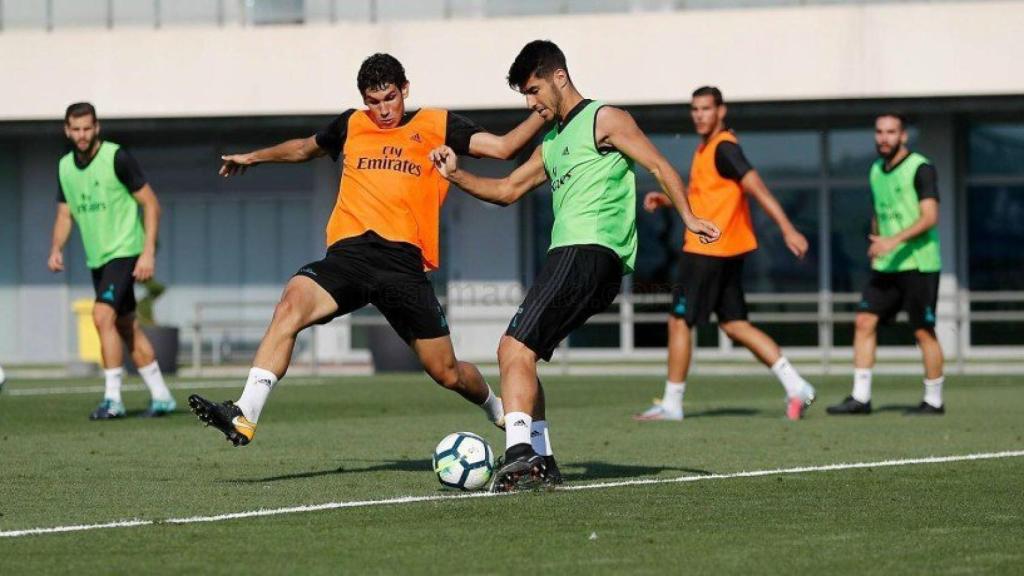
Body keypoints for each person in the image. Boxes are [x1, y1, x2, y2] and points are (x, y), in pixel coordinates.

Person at [187, 53, 545, 446]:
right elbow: (305, 148)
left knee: (447, 372)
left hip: (401, 265)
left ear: (404, 89)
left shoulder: (437, 124)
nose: (383, 110)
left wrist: (544, 111)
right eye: (373, 102)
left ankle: (495, 407)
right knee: (290, 305)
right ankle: (245, 413)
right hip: (348, 258)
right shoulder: (351, 124)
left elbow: (502, 147)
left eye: (389, 98)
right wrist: (253, 157)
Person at [429, 40, 719, 491]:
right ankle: (541, 460)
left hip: (589, 250)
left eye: (533, 90)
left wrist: (689, 216)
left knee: (511, 349)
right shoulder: (551, 142)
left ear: (558, 77)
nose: (531, 103)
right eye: (525, 95)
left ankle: (520, 454)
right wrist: (455, 175)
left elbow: (659, 165)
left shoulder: (605, 118)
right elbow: (507, 191)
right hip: (576, 258)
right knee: (525, 355)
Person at [634, 87, 817, 422]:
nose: (699, 115)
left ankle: (672, 403)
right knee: (735, 325)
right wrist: (666, 200)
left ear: (721, 111)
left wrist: (787, 228)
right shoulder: (705, 149)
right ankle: (797, 386)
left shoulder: (724, 148)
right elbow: (704, 195)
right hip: (726, 251)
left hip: (708, 251)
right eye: (695, 109)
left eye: (706, 109)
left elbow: (755, 185)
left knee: (678, 321)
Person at [49, 102, 176, 420]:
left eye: (87, 128)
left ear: (97, 128)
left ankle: (113, 399)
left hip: (125, 251)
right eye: (75, 129)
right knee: (125, 325)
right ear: (67, 130)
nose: (81, 135)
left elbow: (151, 204)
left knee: (102, 316)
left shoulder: (116, 157)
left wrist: (147, 252)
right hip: (98, 259)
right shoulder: (65, 167)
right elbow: (65, 213)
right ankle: (162, 396)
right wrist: (56, 248)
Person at [828, 113, 945, 416]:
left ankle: (934, 400)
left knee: (923, 331)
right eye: (879, 132)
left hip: (919, 264)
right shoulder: (876, 170)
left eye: (891, 132)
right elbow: (880, 212)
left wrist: (894, 241)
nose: (884, 138)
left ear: (903, 135)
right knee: (864, 321)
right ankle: (860, 397)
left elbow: (930, 217)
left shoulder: (921, 168)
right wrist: (878, 240)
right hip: (887, 264)